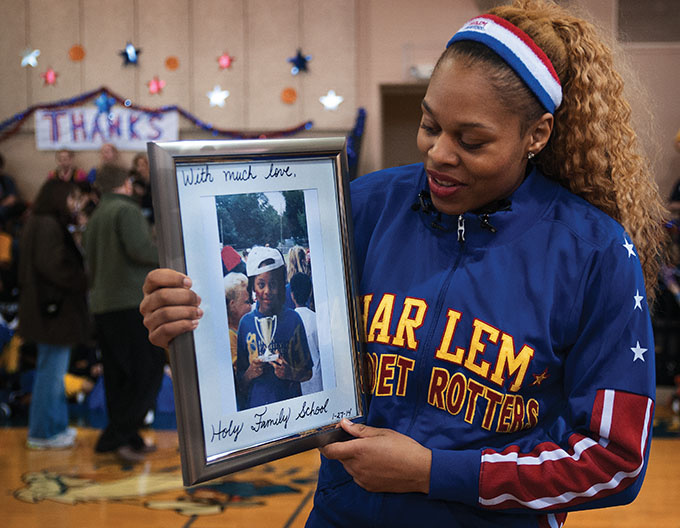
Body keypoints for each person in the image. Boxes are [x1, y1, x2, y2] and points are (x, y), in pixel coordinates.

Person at [139, 1, 667, 525]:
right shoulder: (363, 206)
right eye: (429, 125)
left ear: (537, 134)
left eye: (471, 140)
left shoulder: (593, 252)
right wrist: (192, 330)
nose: (438, 153)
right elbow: (296, 377)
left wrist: (435, 472)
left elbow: (614, 461)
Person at [83, 164, 165, 464]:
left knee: (118, 376)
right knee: (149, 371)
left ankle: (126, 438)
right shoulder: (126, 211)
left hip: (103, 305)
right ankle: (116, 436)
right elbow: (141, 250)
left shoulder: (94, 217)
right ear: (127, 184)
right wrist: (172, 252)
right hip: (130, 303)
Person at [17, 179, 90, 449]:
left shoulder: (40, 222)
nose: (73, 203)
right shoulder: (47, 224)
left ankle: (55, 426)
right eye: (70, 198)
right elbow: (54, 267)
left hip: (48, 311)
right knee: (51, 371)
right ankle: (43, 432)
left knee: (53, 370)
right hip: (52, 312)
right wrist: (83, 278)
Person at [235, 246, 313, 410]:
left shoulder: (293, 319)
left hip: (291, 409)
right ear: (253, 288)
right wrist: (251, 372)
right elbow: (239, 384)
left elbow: (308, 373)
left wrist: (289, 372)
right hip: (257, 410)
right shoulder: (245, 324)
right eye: (261, 284)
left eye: (273, 284)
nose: (267, 291)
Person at [290, 272, 323, 395]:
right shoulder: (316, 319)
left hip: (298, 383)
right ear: (310, 292)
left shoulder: (288, 322)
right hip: (317, 381)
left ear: (292, 295)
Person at [224, 272, 252, 372]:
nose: (251, 307)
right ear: (233, 305)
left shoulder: (241, 329)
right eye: (247, 302)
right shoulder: (230, 336)